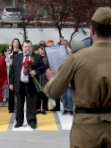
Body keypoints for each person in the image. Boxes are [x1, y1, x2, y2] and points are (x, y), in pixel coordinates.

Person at [44, 7, 111, 147]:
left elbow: (53, 92)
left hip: (86, 128)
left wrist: (52, 79)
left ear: (92, 31)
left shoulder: (75, 58)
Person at [9, 40, 46, 129]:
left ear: (32, 47)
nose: (27, 48)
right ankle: (19, 122)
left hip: (31, 84)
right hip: (19, 84)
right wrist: (11, 83)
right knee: (19, 104)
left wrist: (36, 71)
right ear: (22, 47)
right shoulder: (17, 57)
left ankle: (31, 121)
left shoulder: (36, 57)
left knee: (31, 104)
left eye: (29, 46)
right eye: (25, 46)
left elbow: (43, 67)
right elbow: (12, 71)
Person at [6, 38, 23, 113]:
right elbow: (5, 62)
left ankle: (19, 106)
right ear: (12, 44)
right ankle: (11, 107)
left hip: (19, 72)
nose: (16, 43)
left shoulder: (21, 53)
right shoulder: (9, 53)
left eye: (17, 42)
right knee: (11, 90)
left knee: (19, 91)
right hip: (11, 72)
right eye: (14, 42)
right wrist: (10, 64)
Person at [46, 39, 61, 111]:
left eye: (51, 44)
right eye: (49, 44)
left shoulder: (56, 51)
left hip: (56, 71)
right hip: (49, 72)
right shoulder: (46, 51)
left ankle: (57, 105)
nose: (50, 45)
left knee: (56, 89)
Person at [36, 43, 48, 115]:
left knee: (44, 92)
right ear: (39, 49)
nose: (42, 50)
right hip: (37, 76)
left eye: (43, 48)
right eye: (41, 48)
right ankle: (37, 108)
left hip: (45, 76)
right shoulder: (36, 57)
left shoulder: (47, 57)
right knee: (38, 93)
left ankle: (44, 108)